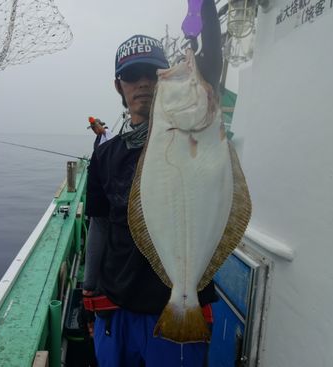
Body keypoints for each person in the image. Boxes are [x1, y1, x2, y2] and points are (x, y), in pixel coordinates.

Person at [84, 1, 222, 366]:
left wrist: (204, 8)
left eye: (151, 73)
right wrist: (89, 287)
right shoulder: (104, 154)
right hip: (115, 306)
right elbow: (98, 224)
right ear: (119, 85)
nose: (143, 83)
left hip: (176, 304)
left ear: (163, 79)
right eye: (132, 76)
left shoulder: (188, 127)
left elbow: (211, 65)